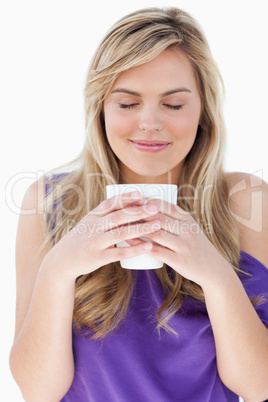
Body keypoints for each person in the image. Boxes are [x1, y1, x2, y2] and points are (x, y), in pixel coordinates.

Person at [9, 6, 268, 402]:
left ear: (203, 111)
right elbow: (37, 391)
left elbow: (259, 385)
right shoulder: (48, 202)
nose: (150, 122)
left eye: (174, 104)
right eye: (128, 104)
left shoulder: (245, 200)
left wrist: (213, 272)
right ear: (101, 109)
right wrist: (59, 268)